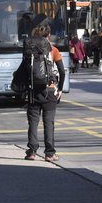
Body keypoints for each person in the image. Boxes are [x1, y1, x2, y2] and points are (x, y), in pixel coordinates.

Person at [24, 25, 65, 162]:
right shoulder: (53, 50)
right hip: (49, 90)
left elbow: (25, 69)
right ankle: (49, 153)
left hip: (33, 90)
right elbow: (62, 71)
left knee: (33, 122)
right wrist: (59, 89)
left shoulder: (30, 50)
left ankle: (31, 152)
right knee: (49, 123)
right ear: (48, 36)